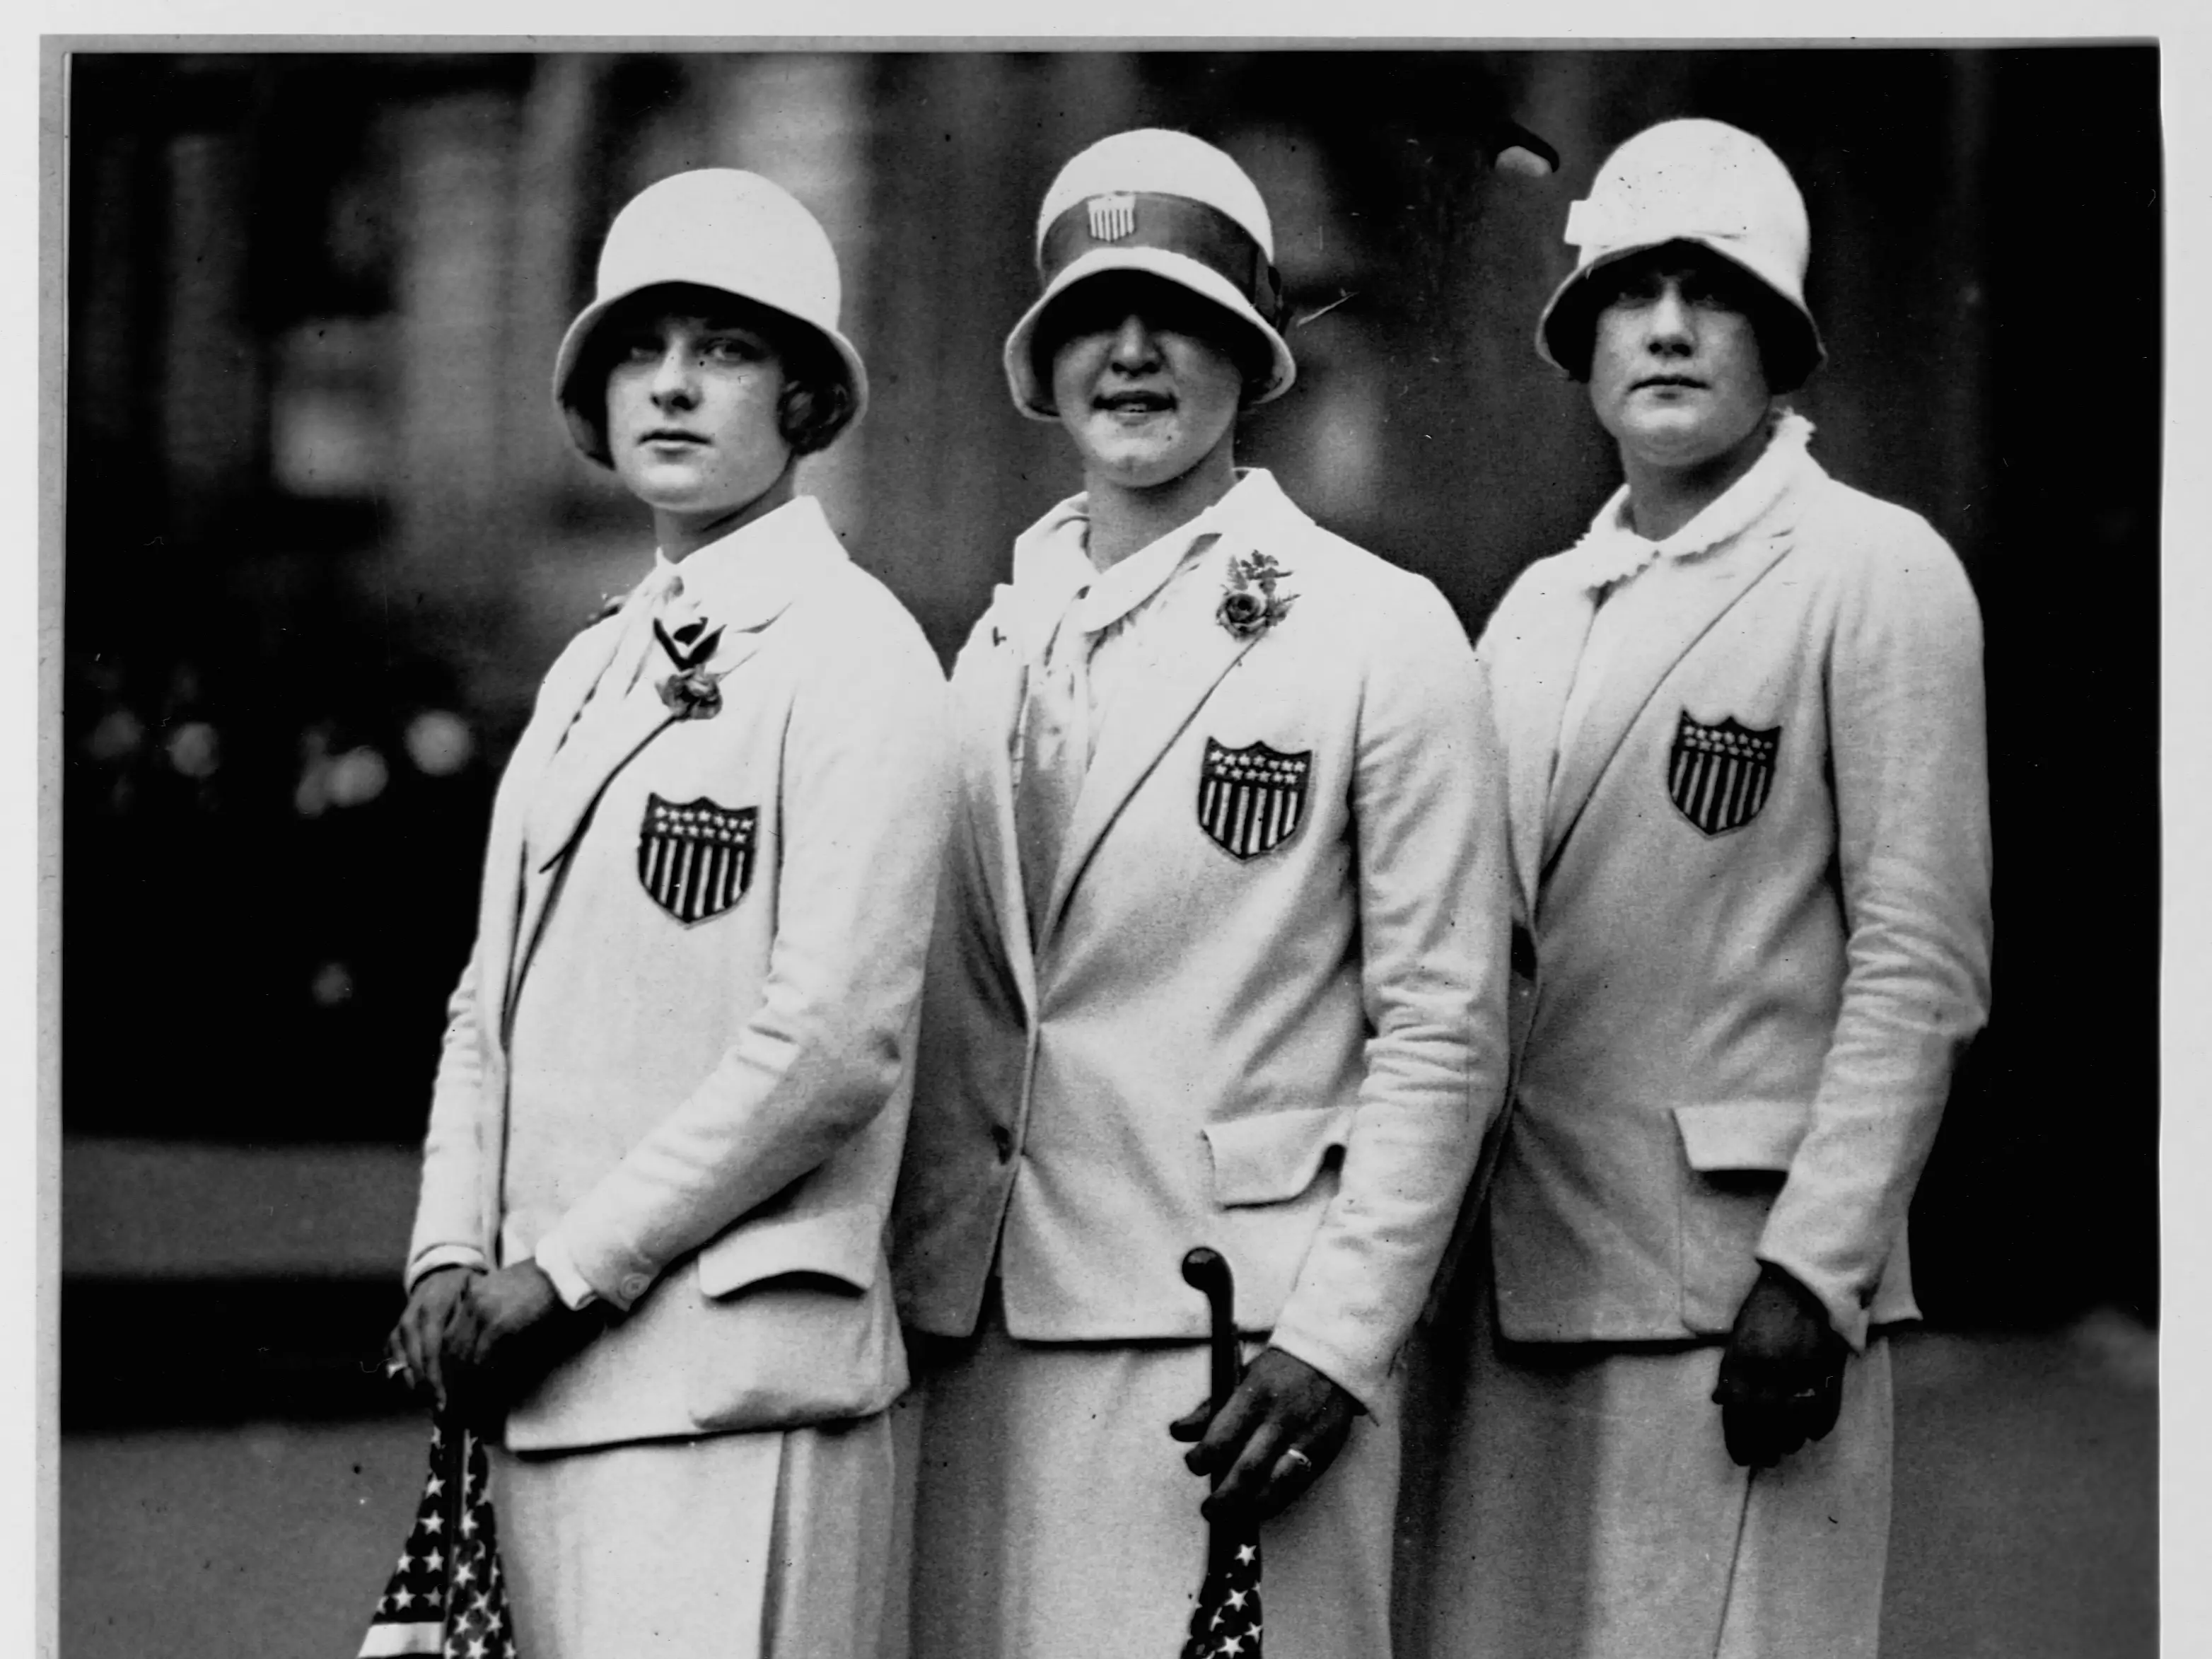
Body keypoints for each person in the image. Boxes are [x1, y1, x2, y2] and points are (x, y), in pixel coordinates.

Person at [890, 128, 1513, 1659]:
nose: (1133, 352)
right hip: (981, 1325)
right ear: (1042, 365)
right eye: (1093, 317)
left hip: (1235, 1353)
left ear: (1250, 356)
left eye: (1180, 316)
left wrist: (1337, 1342)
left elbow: (1444, 1027)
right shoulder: (987, 649)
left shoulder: (1375, 631)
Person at [1414, 118, 1993, 1659]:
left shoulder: (1872, 570)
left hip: (1726, 1302)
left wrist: (1817, 1266)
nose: (1666, 326)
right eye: (1629, 291)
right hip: (1501, 1288)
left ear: (1780, 338)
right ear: (1582, 338)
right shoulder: (1537, 607)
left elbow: (1919, 964)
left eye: (1711, 291)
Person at [383, 167, 950, 1659]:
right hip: (540, 1380)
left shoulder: (856, 653)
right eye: (641, 349)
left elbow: (830, 1043)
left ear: (806, 401)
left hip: (733, 1390)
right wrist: (446, 1256)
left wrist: (566, 1272)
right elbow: (483, 1002)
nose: (676, 387)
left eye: (726, 348)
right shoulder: (593, 667)